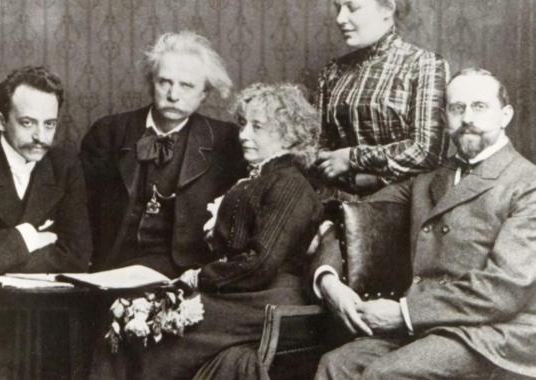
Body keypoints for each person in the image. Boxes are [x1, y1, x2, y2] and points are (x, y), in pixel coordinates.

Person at [90, 83, 325, 380]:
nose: (244, 135)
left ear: (289, 134)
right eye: (243, 124)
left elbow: (261, 263)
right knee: (126, 320)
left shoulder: (289, 184)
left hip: (268, 298)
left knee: (149, 330)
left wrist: (198, 277)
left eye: (258, 127)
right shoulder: (259, 179)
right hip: (241, 292)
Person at [312, 68, 536, 379]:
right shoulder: (428, 181)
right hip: (431, 327)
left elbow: (504, 290)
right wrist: (328, 280)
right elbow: (347, 218)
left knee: (387, 374)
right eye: (457, 108)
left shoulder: (527, 183)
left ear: (505, 115)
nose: (467, 117)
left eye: (480, 106)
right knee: (337, 364)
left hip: (495, 335)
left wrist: (405, 313)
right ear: (446, 119)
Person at [80, 31, 246, 276]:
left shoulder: (227, 141)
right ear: (151, 83)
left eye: (186, 85)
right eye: (164, 82)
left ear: (204, 94)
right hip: (112, 265)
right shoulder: (108, 133)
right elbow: (82, 211)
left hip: (188, 271)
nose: (173, 95)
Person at [0, 66, 91, 277]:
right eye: (27, 123)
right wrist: (28, 237)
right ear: (1, 121)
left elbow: (77, 256)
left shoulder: (66, 168)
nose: (41, 137)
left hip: (48, 305)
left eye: (49, 124)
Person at [315, 0, 448, 196]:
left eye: (352, 8)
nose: (340, 19)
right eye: (338, 8)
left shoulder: (423, 64)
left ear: (387, 9)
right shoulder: (333, 71)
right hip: (338, 201)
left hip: (404, 206)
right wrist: (356, 180)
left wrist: (350, 158)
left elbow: (425, 152)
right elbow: (315, 147)